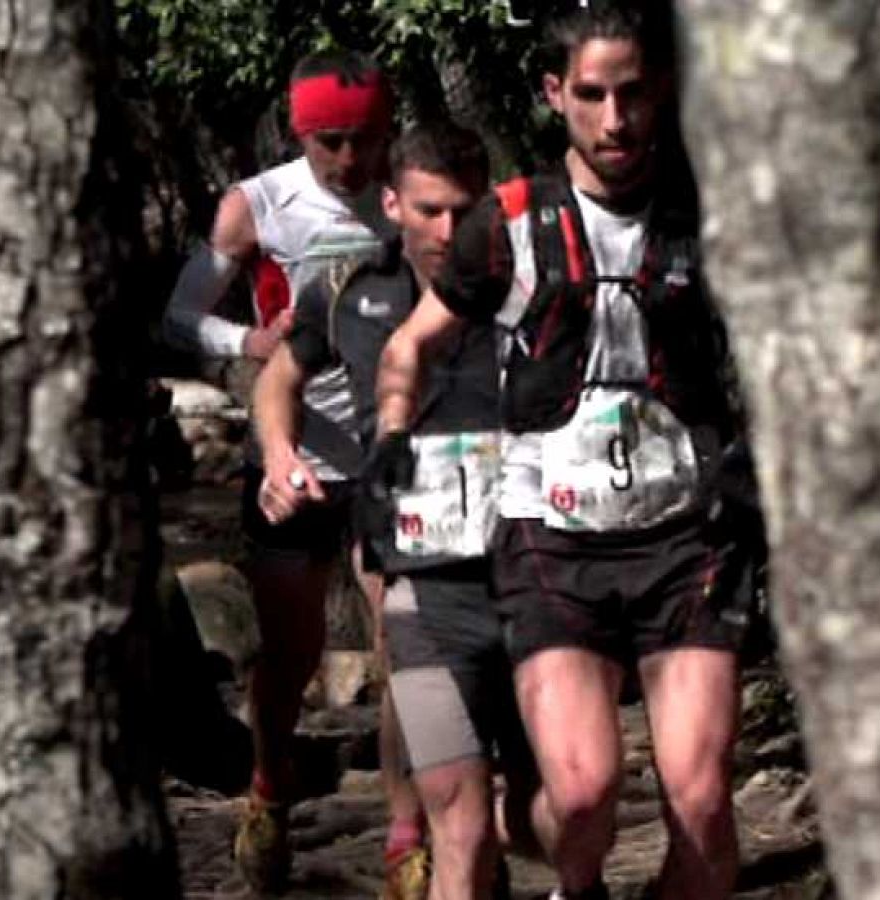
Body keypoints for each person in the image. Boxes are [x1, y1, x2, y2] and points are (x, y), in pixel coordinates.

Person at [373, 6, 754, 899]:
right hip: (553, 539)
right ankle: (567, 880)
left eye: (631, 93)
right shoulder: (509, 223)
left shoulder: (715, 209)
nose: (615, 119)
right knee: (582, 797)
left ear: (659, 88)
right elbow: (409, 347)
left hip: (686, 539)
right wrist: (392, 445)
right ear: (555, 95)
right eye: (591, 95)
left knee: (701, 807)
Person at [161, 51, 427, 896]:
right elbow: (180, 315)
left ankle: (407, 836)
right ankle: (269, 789)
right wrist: (248, 343)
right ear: (299, 133)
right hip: (295, 457)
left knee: (410, 650)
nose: (353, 160)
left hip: (398, 456)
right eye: (333, 143)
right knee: (289, 653)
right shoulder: (259, 203)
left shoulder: (409, 197)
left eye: (369, 140)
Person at [254, 122, 537, 900]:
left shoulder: (535, 284)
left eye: (465, 211)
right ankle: (412, 838)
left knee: (559, 805)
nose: (449, 232)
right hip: (418, 564)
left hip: (539, 574)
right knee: (460, 813)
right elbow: (279, 376)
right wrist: (282, 455)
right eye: (429, 211)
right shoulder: (351, 288)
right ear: (392, 205)